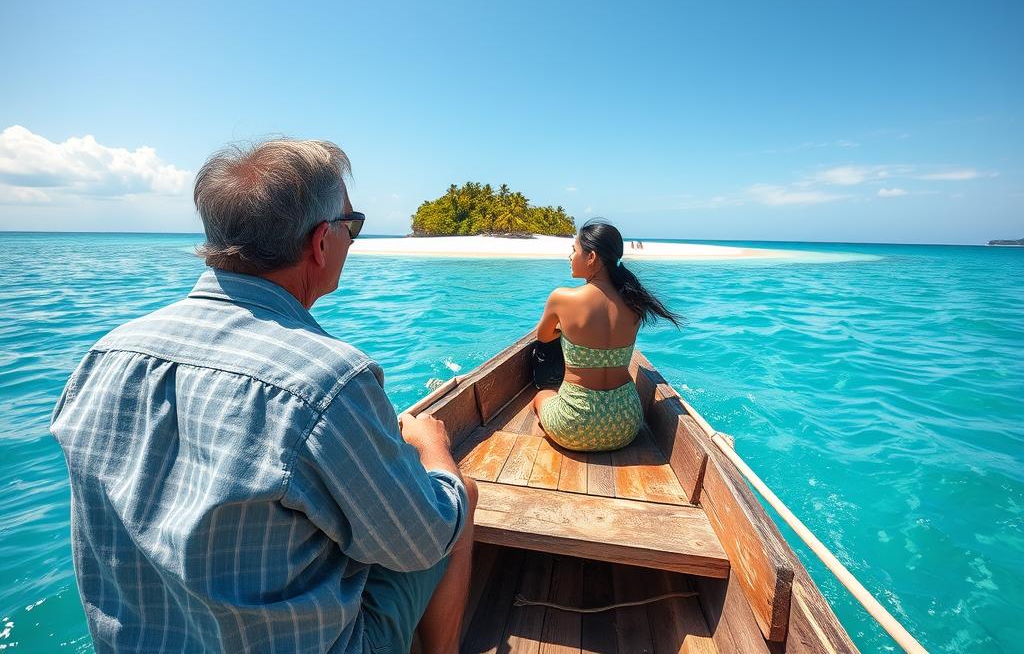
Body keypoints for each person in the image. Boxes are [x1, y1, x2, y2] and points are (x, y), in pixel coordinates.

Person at [50, 138, 476, 654]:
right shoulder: (330, 380)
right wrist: (433, 448)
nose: (352, 240)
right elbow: (419, 541)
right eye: (352, 226)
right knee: (458, 496)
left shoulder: (103, 356)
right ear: (321, 243)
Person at [532, 220, 681, 452]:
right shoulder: (635, 301)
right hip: (625, 424)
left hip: (574, 426)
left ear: (591, 257)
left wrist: (567, 331)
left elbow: (543, 336)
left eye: (574, 250)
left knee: (542, 396)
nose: (570, 256)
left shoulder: (562, 298)